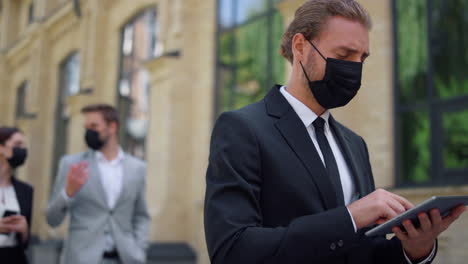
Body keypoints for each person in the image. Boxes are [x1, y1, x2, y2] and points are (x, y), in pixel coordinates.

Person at [204, 1, 466, 264]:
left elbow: (365, 251)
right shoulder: (242, 128)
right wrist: (350, 217)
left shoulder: (354, 144)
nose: (354, 69)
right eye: (343, 55)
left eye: (361, 58)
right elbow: (232, 250)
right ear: (300, 47)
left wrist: (415, 249)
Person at [46, 104, 150, 264]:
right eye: (86, 127)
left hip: (125, 258)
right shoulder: (71, 164)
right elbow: (52, 219)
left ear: (112, 127)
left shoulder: (137, 168)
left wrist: (139, 250)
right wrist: (67, 192)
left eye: (94, 126)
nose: (89, 131)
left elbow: (141, 215)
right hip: (81, 258)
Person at [0, 127, 33, 264]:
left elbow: (25, 243)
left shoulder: (25, 190)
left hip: (14, 257)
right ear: (1, 148)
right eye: (18, 144)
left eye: (23, 145)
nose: (23, 150)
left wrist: (24, 231)